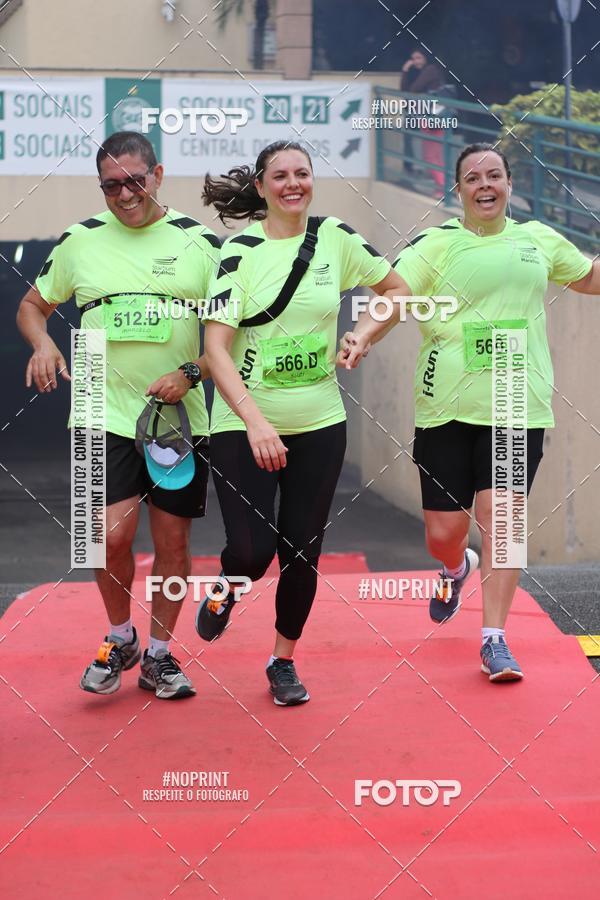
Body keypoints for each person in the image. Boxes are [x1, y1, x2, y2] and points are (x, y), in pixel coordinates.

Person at [339, 142, 599, 682]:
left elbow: (589, 277)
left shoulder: (537, 240)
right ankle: (455, 567)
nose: (485, 185)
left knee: (503, 522)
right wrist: (363, 334)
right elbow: (395, 296)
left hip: (515, 403)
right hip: (447, 407)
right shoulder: (437, 244)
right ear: (457, 190)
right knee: (443, 531)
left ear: (509, 184)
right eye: (473, 177)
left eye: (495, 175)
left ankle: (495, 639)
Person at [196, 140, 404, 705]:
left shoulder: (335, 238)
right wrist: (256, 422)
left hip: (319, 421)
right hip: (244, 423)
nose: (294, 183)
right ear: (261, 187)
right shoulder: (238, 251)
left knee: (302, 549)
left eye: (303, 173)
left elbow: (395, 292)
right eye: (280, 175)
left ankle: (282, 660)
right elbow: (215, 348)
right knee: (250, 551)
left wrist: (363, 332)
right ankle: (225, 588)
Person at [16, 131, 220, 700]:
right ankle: (119, 637)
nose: (125, 193)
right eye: (111, 185)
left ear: (157, 175)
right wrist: (43, 343)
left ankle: (159, 655)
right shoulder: (79, 241)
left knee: (173, 544)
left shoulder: (201, 243)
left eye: (135, 180)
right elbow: (33, 305)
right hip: (96, 409)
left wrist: (192, 374)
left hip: (176, 418)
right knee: (105, 538)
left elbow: (233, 334)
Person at [401, 48, 446, 194]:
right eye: (413, 59)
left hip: (433, 117)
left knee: (431, 156)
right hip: (431, 116)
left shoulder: (430, 70)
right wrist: (406, 72)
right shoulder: (424, 72)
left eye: (419, 58)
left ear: (426, 58)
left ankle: (443, 190)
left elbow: (413, 89)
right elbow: (405, 92)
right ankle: (441, 189)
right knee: (434, 156)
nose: (415, 62)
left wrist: (406, 71)